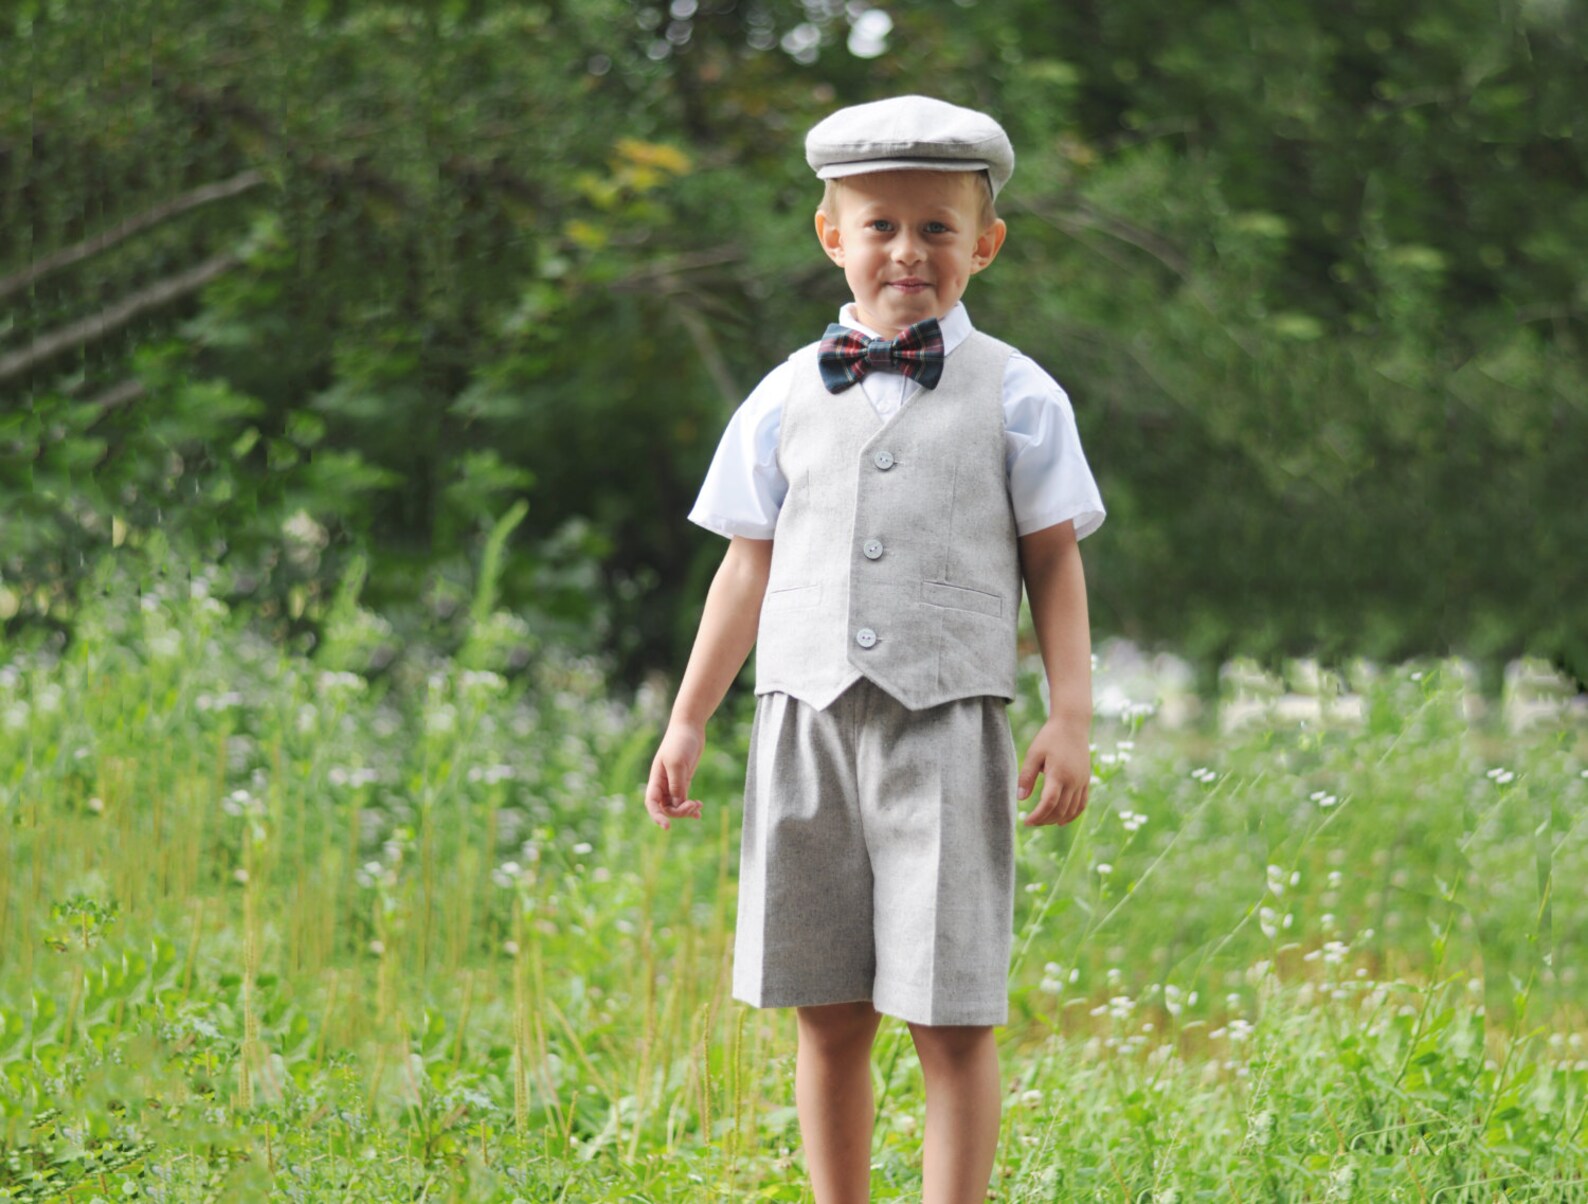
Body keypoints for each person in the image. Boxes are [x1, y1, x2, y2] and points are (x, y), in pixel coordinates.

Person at [644, 94, 1106, 1203]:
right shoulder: (781, 397)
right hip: (804, 726)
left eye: (938, 228)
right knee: (829, 1011)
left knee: (950, 1013)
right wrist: (691, 713)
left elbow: (1053, 561)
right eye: (881, 226)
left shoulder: (1021, 397)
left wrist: (1071, 710)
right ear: (830, 236)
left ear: (984, 244)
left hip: (945, 729)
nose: (908, 252)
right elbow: (745, 565)